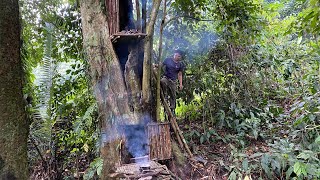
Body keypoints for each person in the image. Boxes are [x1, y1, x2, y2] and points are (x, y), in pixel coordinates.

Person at [160, 49, 185, 115]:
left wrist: (181, 84)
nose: (177, 57)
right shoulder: (168, 60)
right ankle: (165, 95)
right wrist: (156, 66)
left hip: (173, 81)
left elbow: (180, 74)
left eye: (179, 56)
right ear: (174, 55)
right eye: (176, 55)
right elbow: (161, 65)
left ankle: (172, 109)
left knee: (173, 96)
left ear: (180, 57)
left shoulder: (180, 64)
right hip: (166, 78)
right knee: (162, 81)